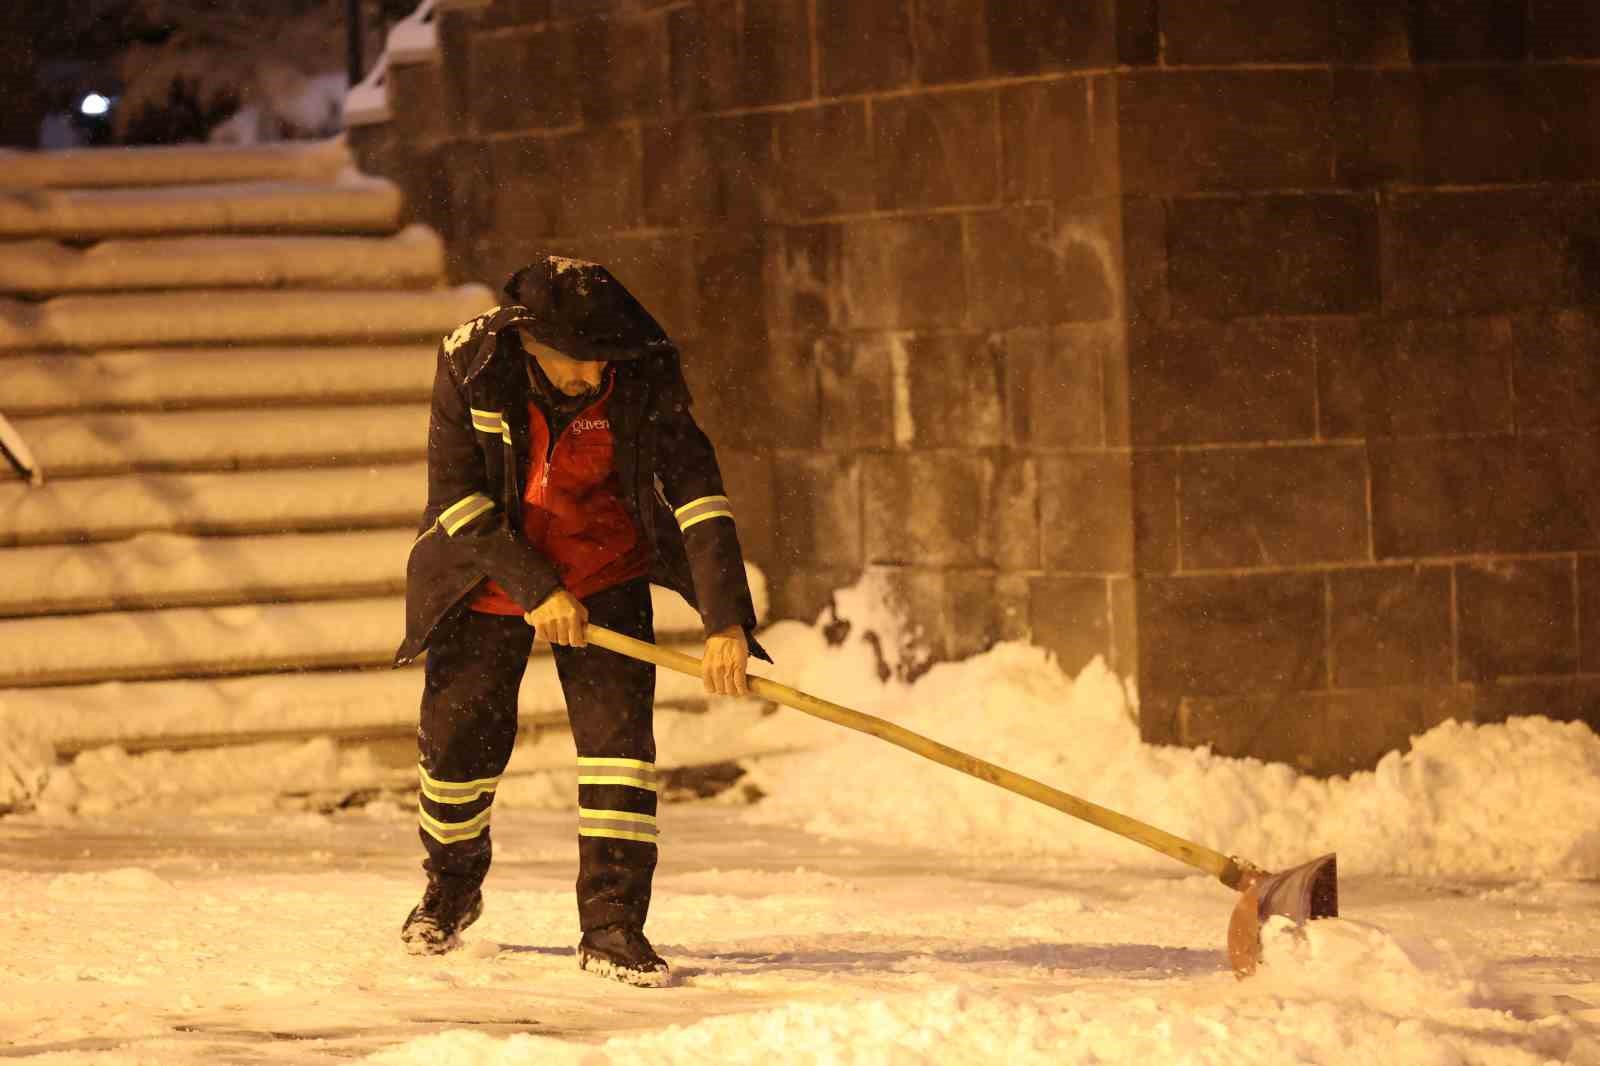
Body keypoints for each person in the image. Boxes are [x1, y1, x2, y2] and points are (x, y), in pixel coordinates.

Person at [392, 254, 769, 986]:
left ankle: (613, 927)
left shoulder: (642, 366)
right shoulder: (472, 363)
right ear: (530, 342)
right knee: (457, 749)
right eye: (575, 361)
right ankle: (449, 887)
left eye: (602, 361)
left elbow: (698, 492)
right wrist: (536, 587)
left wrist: (725, 621)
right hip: (489, 569)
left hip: (608, 567)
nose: (591, 377)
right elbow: (457, 499)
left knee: (619, 754)